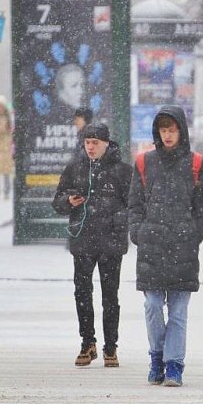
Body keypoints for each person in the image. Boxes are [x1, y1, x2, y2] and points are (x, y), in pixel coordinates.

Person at [128, 106, 203, 387]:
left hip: (183, 248)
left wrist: (193, 235)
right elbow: (135, 204)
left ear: (181, 131)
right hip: (151, 247)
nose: (167, 135)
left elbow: (202, 209)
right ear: (157, 132)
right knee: (152, 306)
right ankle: (157, 356)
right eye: (163, 130)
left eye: (172, 129)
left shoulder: (196, 163)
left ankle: (173, 364)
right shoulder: (143, 163)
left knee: (177, 312)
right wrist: (138, 232)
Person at [52, 123, 131, 368]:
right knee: (82, 294)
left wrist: (116, 218)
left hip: (111, 242)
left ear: (107, 144)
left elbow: (135, 206)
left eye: (95, 142)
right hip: (83, 240)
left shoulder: (122, 171)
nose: (91, 147)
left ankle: (111, 347)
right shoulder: (75, 168)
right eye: (87, 142)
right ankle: (88, 343)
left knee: (110, 296)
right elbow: (57, 202)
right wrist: (69, 201)